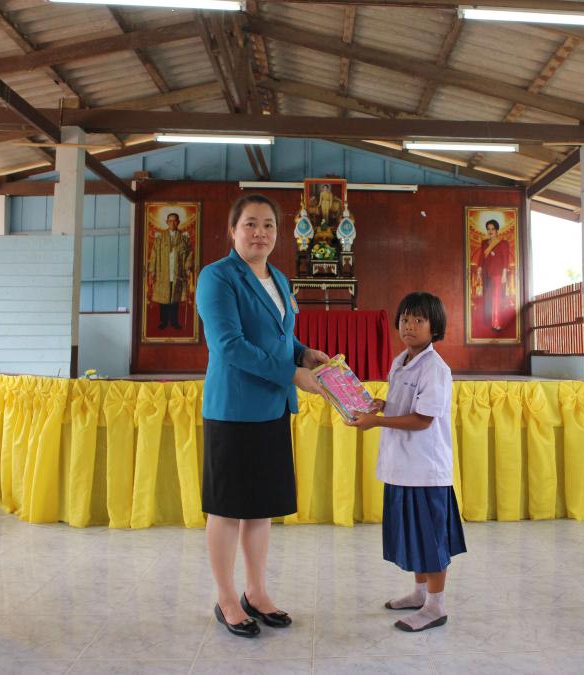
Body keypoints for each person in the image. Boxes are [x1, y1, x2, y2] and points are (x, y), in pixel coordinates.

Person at [196, 194, 329, 638]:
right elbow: (229, 345)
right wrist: (291, 373)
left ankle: (256, 591)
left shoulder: (279, 278)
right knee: (227, 509)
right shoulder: (218, 277)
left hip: (272, 408)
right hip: (233, 409)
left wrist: (303, 354)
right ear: (232, 231)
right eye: (250, 224)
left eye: (269, 225)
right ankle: (226, 598)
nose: (260, 233)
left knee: (259, 509)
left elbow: (279, 336)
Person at [346, 292, 465, 633]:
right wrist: (381, 404)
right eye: (404, 319)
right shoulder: (401, 362)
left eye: (418, 320)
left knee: (431, 539)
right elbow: (405, 403)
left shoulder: (435, 368)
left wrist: (377, 422)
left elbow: (423, 419)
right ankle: (420, 594)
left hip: (425, 470)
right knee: (414, 535)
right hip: (403, 466)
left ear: (434, 327)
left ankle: (436, 606)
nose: (409, 326)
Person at [148, 212, 194, 330]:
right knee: (164, 298)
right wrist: (152, 272)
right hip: (163, 272)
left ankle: (174, 322)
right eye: (170, 221)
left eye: (175, 221)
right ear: (167, 222)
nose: (172, 223)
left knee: (175, 298)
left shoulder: (183, 239)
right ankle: (163, 321)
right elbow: (153, 255)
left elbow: (189, 254)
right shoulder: (160, 238)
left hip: (177, 272)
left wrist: (188, 268)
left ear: (178, 222)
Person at [476, 219, 511, 332]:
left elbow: (506, 260)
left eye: (493, 229)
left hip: (498, 274)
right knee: (488, 298)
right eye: (488, 229)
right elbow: (481, 258)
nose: (490, 231)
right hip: (487, 274)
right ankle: (490, 321)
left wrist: (504, 275)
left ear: (497, 230)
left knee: (496, 298)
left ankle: (496, 324)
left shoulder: (503, 243)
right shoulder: (484, 243)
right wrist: (479, 271)